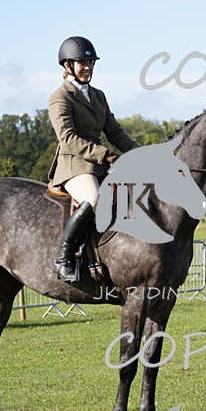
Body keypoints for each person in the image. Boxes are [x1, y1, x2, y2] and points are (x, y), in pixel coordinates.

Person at [48, 36, 139, 282]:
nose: (87, 67)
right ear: (68, 66)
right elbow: (68, 138)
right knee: (94, 198)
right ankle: (63, 257)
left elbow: (115, 131)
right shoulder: (60, 97)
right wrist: (106, 155)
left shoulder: (97, 95)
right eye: (82, 63)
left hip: (98, 164)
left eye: (90, 62)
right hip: (73, 165)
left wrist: (139, 153)